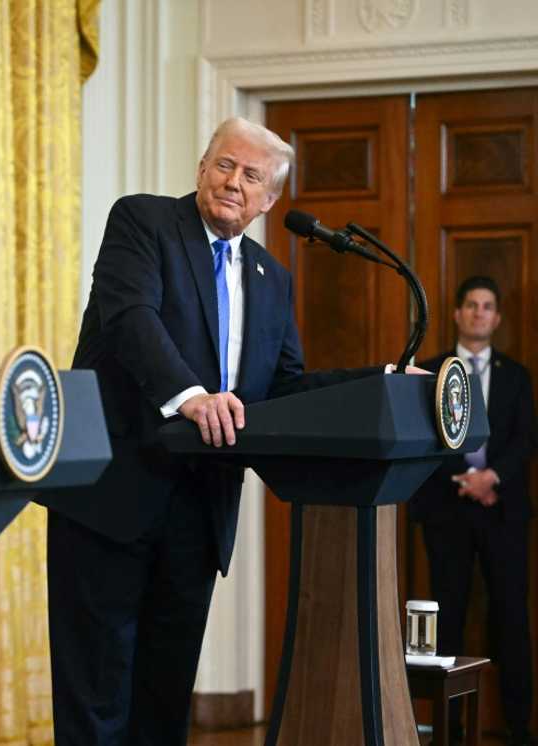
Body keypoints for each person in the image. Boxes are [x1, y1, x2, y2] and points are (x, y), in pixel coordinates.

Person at [45, 117, 391, 745]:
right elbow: (131, 319)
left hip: (200, 511)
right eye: (225, 164)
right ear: (202, 168)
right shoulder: (144, 222)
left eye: (251, 175)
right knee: (96, 695)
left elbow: (284, 389)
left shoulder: (271, 279)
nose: (234, 181)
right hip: (110, 495)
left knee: (164, 697)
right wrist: (191, 396)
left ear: (268, 200)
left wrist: (385, 380)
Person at [410, 276, 536, 746]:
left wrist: (490, 478)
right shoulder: (431, 371)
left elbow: (526, 440)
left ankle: (520, 728)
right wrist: (461, 479)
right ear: (459, 314)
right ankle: (450, 728)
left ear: (497, 318)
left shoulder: (516, 376)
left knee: (510, 619)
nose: (479, 313)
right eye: (471, 305)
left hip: (502, 512)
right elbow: (423, 439)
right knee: (449, 619)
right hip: (447, 511)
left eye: (487, 306)